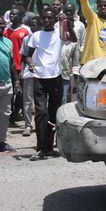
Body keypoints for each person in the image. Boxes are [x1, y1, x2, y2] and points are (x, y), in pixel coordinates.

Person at [25, 9, 76, 160]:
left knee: (53, 113)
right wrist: (31, 64)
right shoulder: (35, 36)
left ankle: (48, 147)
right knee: (41, 112)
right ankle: (40, 147)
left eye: (50, 18)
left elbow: (73, 39)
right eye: (44, 18)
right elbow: (28, 55)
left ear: (55, 20)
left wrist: (67, 24)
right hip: (39, 78)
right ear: (41, 19)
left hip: (56, 78)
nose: (46, 20)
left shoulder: (59, 34)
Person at [3, 6, 32, 131]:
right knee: (9, 93)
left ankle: (18, 113)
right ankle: (10, 117)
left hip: (22, 66)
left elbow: (29, 49)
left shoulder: (26, 30)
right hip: (9, 66)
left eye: (15, 14)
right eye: (11, 14)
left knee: (21, 94)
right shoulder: (5, 31)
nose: (12, 16)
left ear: (21, 16)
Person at [0, 16, 19, 153]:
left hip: (7, 83)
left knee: (5, 114)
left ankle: (1, 142)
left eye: (2, 24)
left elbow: (12, 63)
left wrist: (16, 80)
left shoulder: (8, 42)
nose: (1, 26)